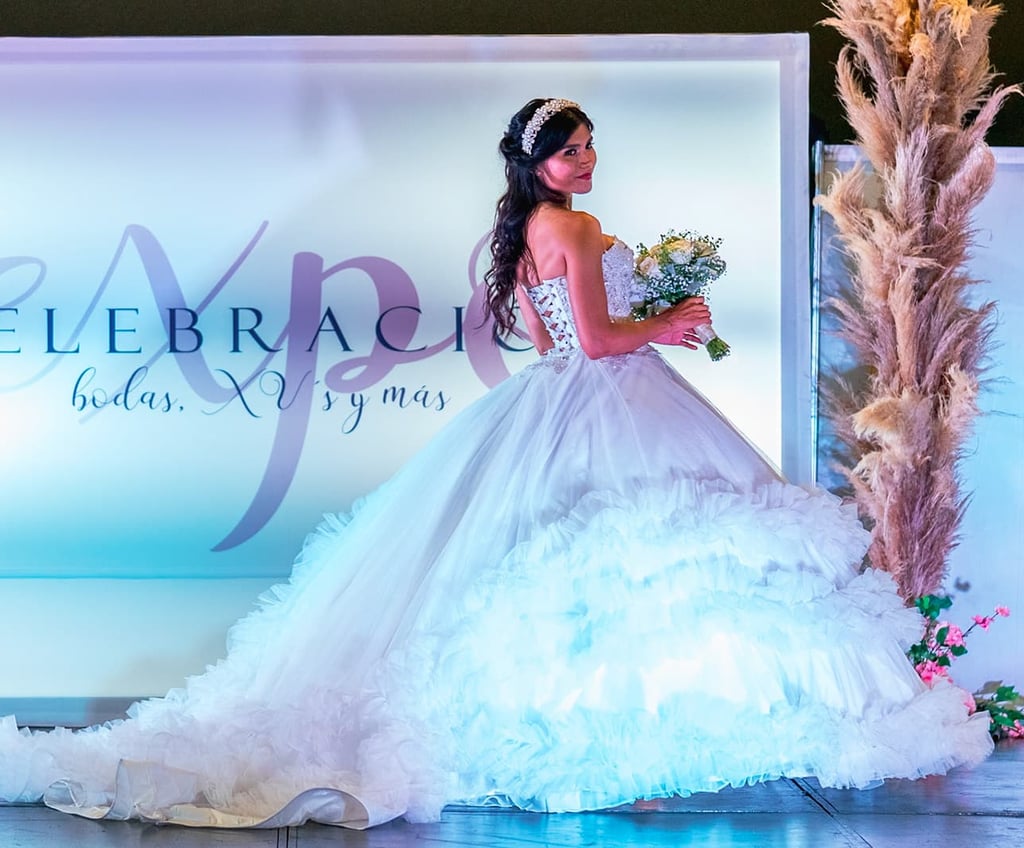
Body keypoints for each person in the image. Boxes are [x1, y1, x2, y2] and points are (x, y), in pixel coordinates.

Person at [0, 97, 993, 830]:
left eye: (591, 142)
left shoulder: (531, 231)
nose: (587, 156)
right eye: (572, 147)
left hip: (572, 397)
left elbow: (555, 328)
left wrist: (648, 312)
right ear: (543, 163)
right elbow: (599, 341)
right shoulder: (570, 226)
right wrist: (672, 316)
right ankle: (616, 736)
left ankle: (623, 731)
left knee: (601, 568)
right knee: (625, 559)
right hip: (603, 395)